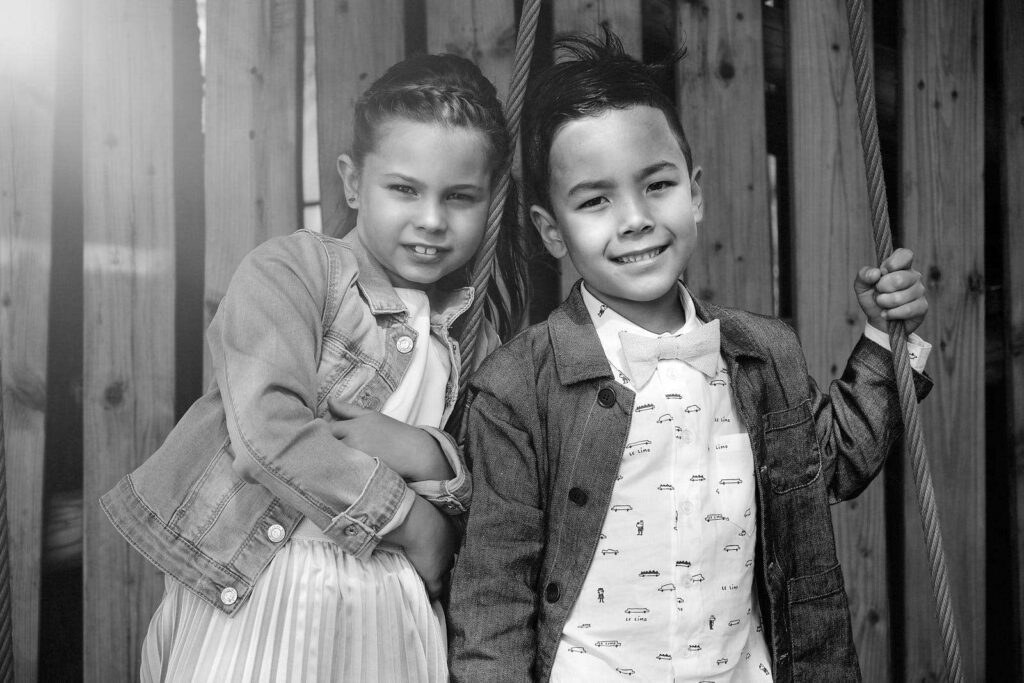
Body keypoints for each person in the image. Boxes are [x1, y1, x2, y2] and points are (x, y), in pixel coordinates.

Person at [448, 31, 931, 683]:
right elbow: (492, 602)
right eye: (596, 200)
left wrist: (883, 340)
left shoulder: (763, 354)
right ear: (550, 230)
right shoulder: (515, 390)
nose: (636, 218)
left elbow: (831, 463)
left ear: (695, 194)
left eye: (657, 185)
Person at [100, 52, 527, 683]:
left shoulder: (472, 334)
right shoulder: (295, 273)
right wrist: (412, 522)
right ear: (353, 183)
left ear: (489, 203)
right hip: (272, 587)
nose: (432, 220)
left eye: (459, 197)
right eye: (404, 189)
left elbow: (491, 493)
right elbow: (267, 430)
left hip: (391, 608)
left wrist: (430, 457)